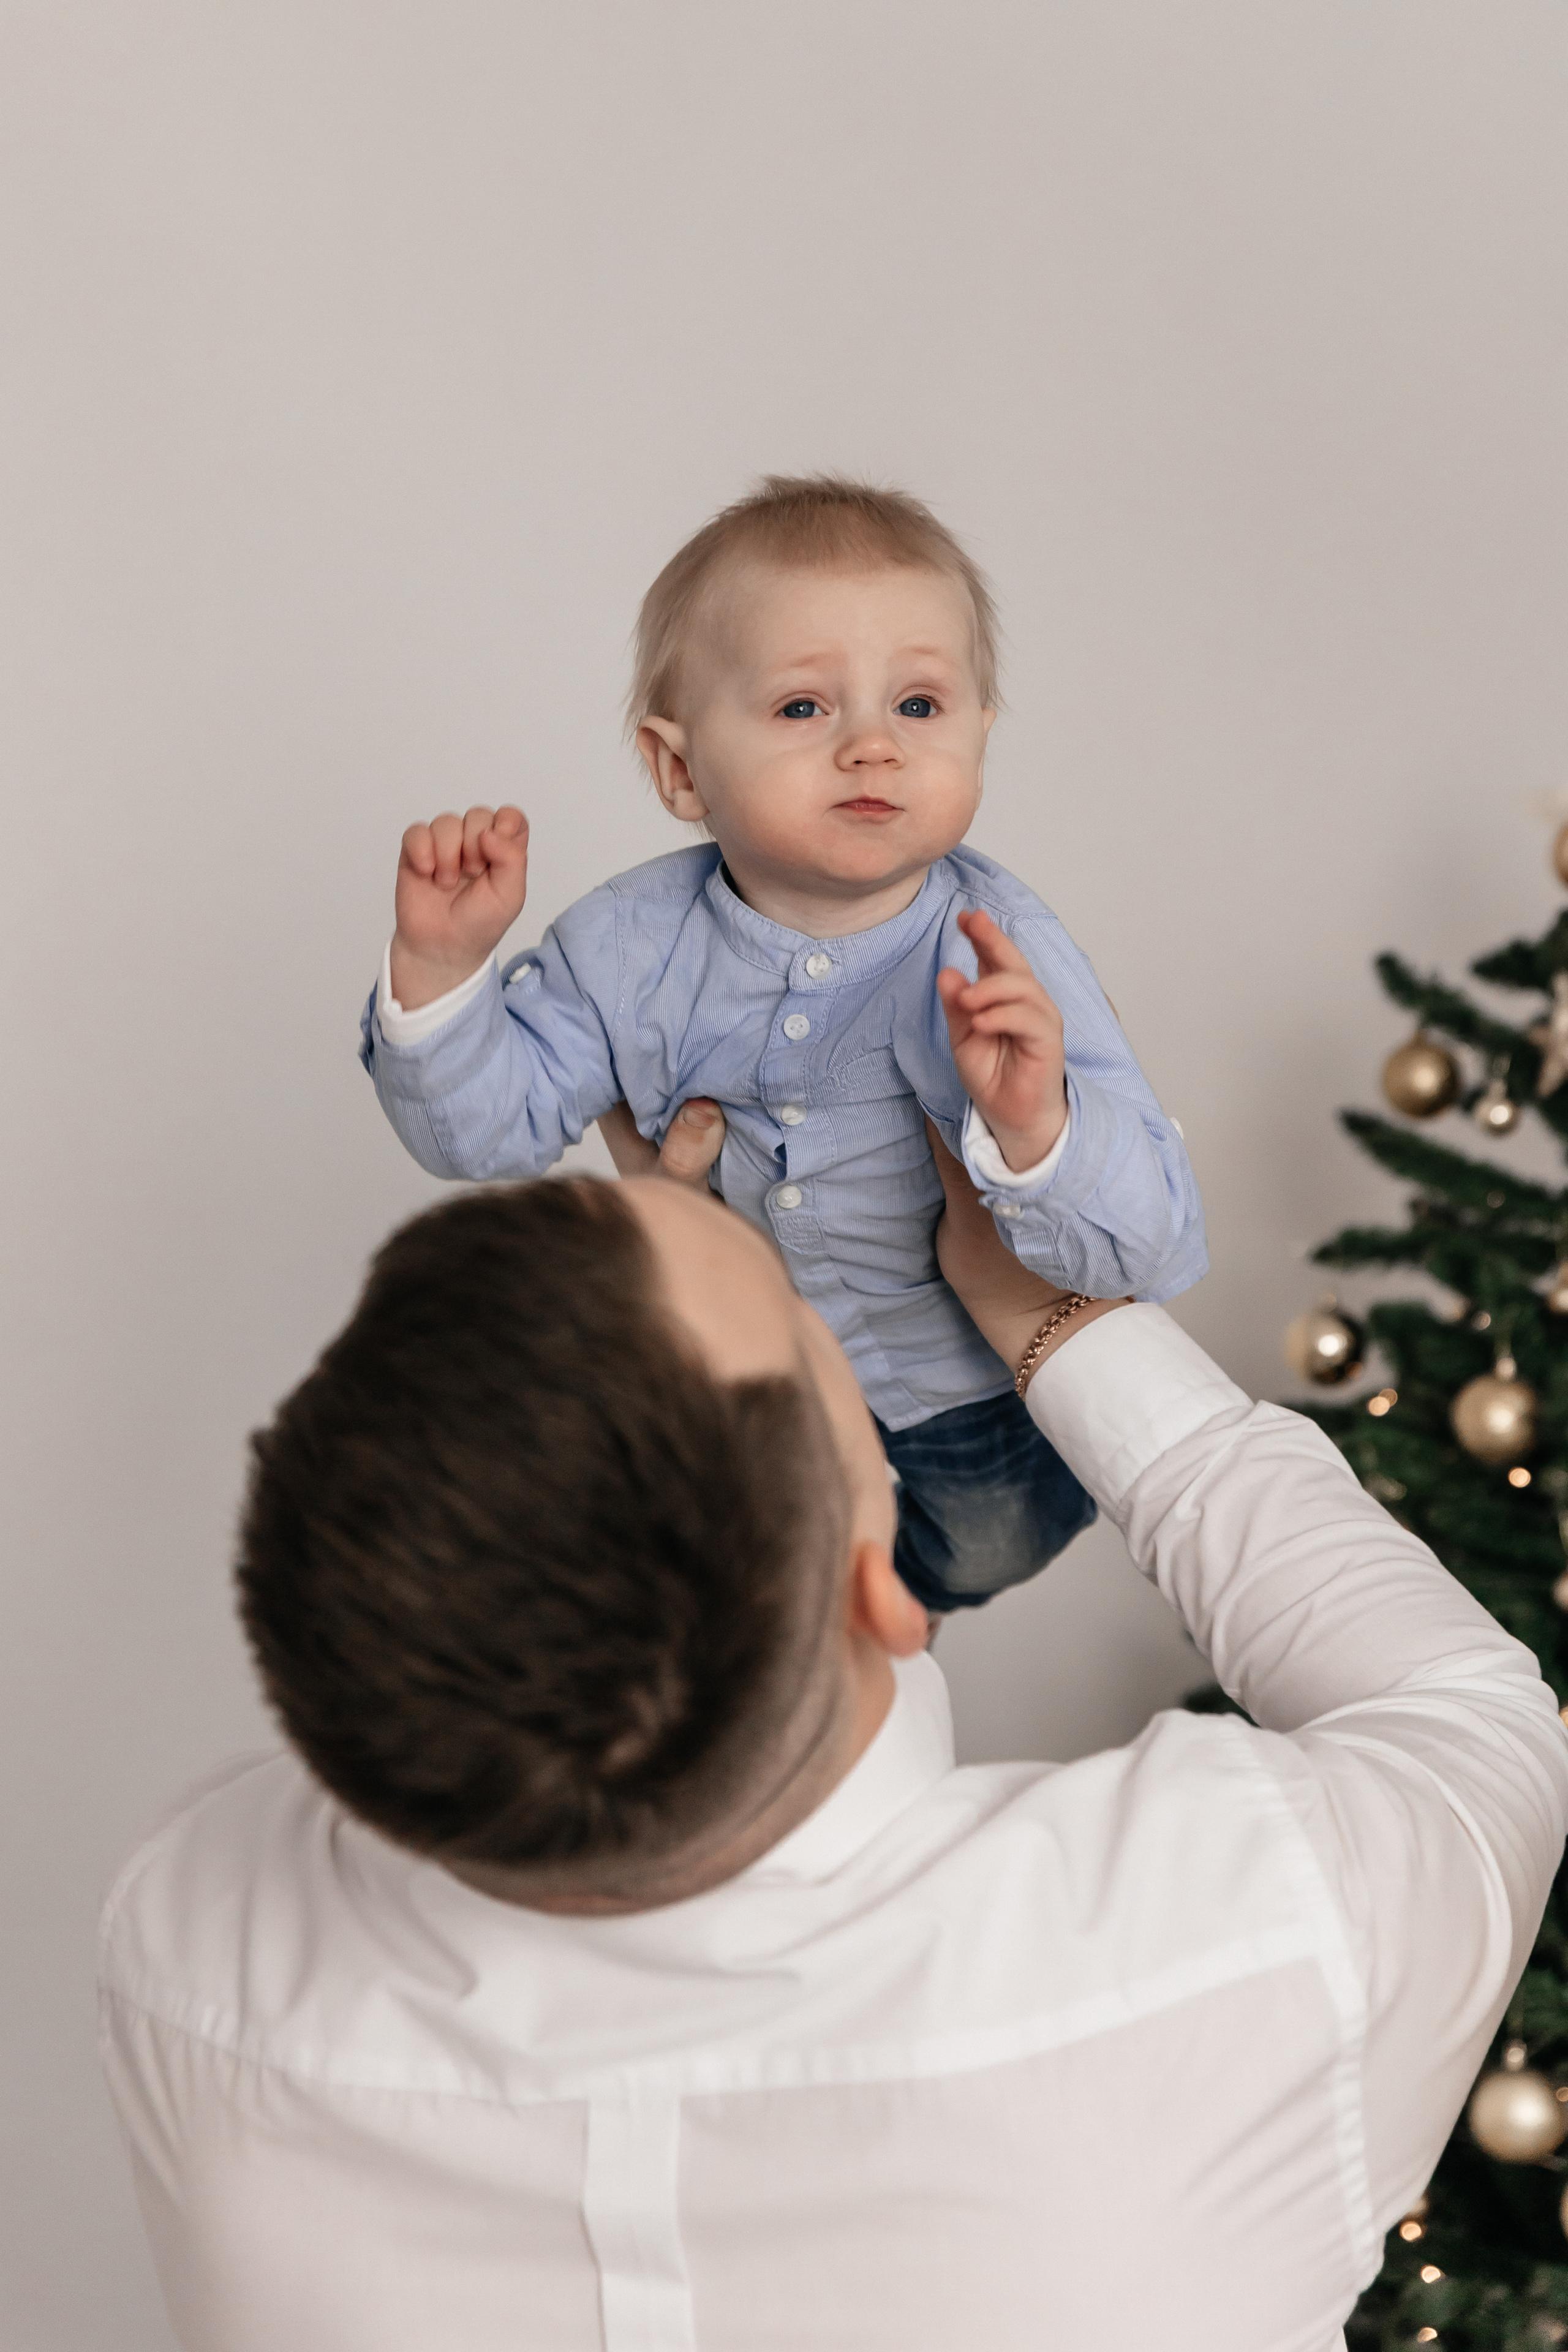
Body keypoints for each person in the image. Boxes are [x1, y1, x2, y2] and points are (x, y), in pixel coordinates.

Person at [100, 1117, 1567, 2352]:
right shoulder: (1222, 1941)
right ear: (881, 1574)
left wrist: (643, 1336)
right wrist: (1048, 1317)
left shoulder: (194, 1943)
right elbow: (1471, 1717)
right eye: (813, 1342)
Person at [358, 473, 1206, 1614]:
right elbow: (484, 1138)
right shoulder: (621, 947)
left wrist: (1038, 1129)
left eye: (918, 706)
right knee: (732, 1596)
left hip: (966, 1401)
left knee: (982, 1554)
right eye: (805, 709)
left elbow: (1149, 1247)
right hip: (754, 1393)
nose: (872, 748)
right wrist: (442, 979)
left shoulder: (1004, 956)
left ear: (980, 735)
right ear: (680, 770)